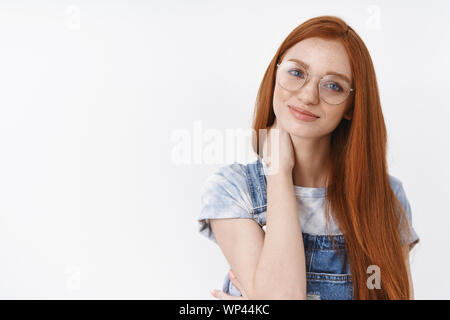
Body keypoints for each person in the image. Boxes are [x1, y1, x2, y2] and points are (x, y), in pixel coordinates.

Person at [197, 15, 419, 300]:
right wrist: (278, 170)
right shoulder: (234, 190)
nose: (308, 95)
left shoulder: (385, 197)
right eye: (297, 73)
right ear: (275, 74)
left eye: (333, 85)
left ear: (352, 105)